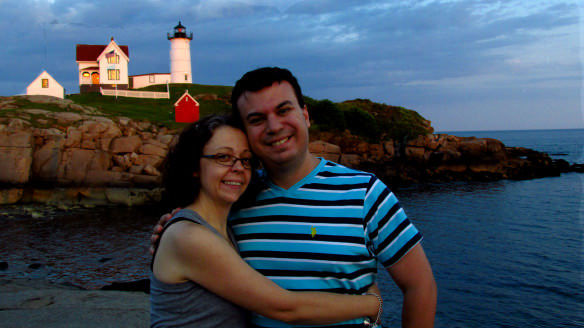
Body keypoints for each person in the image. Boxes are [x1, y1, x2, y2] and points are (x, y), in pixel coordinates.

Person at [153, 67, 437, 327]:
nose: (274, 126)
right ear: (246, 132)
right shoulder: (236, 198)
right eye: (257, 119)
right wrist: (372, 304)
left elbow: (420, 286)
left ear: (306, 115)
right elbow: (195, 239)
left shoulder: (365, 193)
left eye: (283, 110)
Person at [150, 114, 384, 328]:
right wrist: (371, 304)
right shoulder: (190, 236)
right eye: (223, 157)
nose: (237, 168)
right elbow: (285, 307)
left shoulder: (226, 227)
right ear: (194, 166)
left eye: (245, 160)